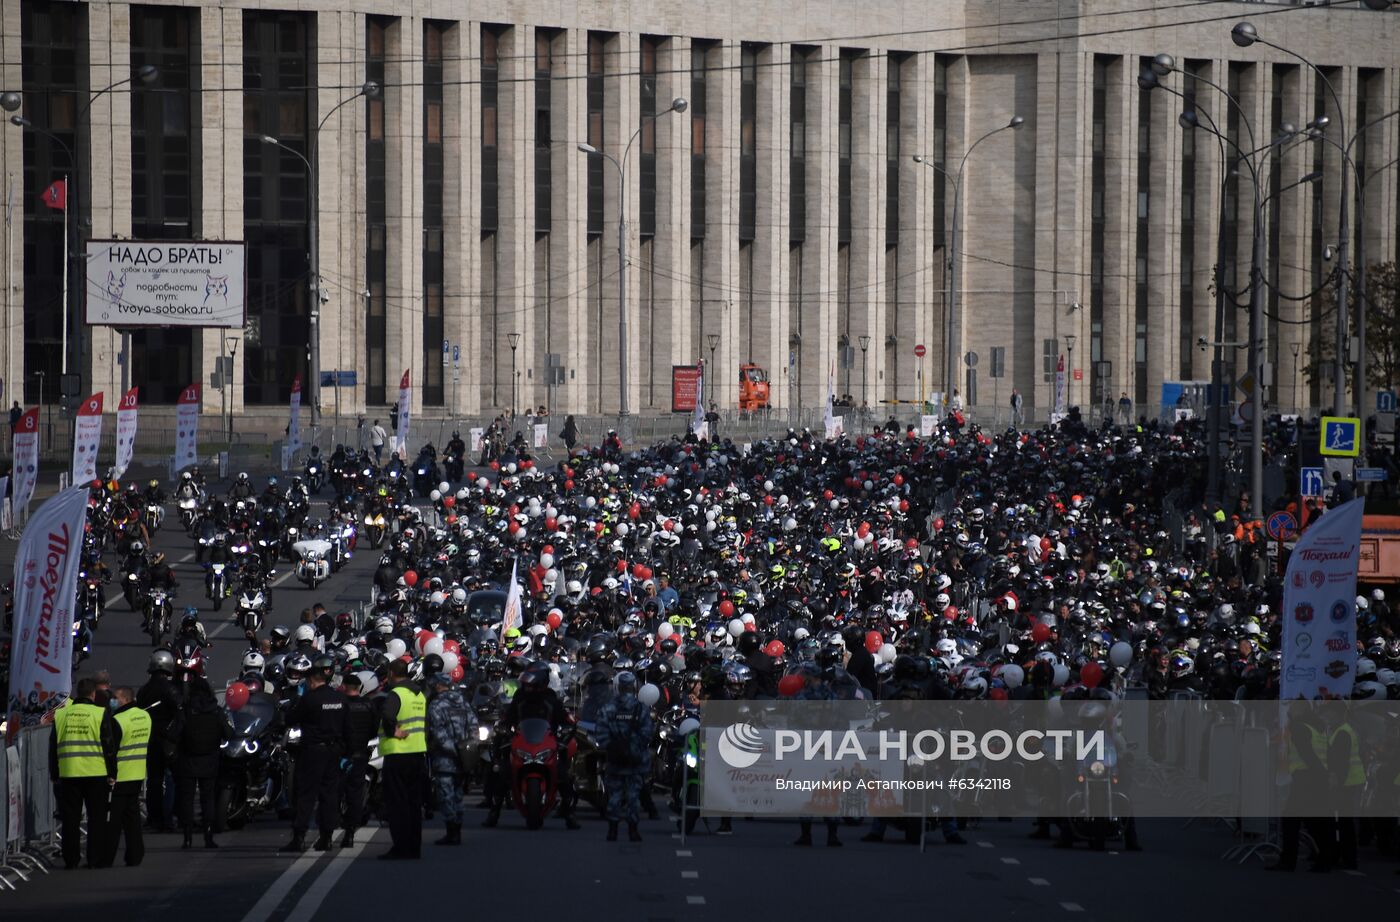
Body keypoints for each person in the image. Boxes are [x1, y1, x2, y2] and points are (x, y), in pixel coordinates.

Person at [50, 677, 120, 870]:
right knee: (96, 819)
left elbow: (53, 746)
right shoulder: (99, 713)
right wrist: (112, 772)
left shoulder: (62, 714)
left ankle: (70, 860)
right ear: (93, 694)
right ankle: (94, 859)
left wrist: (54, 772)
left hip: (69, 772)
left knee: (70, 819)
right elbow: (108, 745)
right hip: (95, 773)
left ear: (77, 694)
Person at [281, 656, 348, 853]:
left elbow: (291, 719)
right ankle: (326, 837)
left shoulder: (309, 699)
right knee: (329, 795)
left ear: (312, 681)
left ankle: (299, 837)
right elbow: (347, 726)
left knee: (306, 795)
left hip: (312, 751)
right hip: (333, 750)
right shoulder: (339, 698)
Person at [173, 676, 232, 849]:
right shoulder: (216, 711)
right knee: (208, 799)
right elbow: (228, 734)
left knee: (187, 799)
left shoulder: (186, 710)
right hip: (210, 760)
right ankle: (208, 835)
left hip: (188, 760)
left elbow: (175, 733)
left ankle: (187, 837)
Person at [594, 671, 653, 842]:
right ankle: (632, 830)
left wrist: (612, 748)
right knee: (633, 796)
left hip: (615, 760)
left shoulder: (609, 707)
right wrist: (635, 748)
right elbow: (648, 733)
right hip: (635, 761)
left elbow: (601, 732)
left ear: (619, 688)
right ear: (633, 688)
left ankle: (612, 830)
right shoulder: (640, 708)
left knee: (614, 795)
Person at [377, 658, 427, 860]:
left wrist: (393, 731)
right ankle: (414, 847)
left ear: (391, 673)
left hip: (398, 753)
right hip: (417, 752)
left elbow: (387, 715)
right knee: (414, 804)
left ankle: (400, 847)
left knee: (397, 804)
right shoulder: (419, 694)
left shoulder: (396, 693)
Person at [426, 671, 475, 846]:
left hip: (445, 758)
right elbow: (473, 725)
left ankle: (452, 830)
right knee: (458, 794)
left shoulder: (436, 705)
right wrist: (468, 748)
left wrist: (452, 749)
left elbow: (438, 733)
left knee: (446, 795)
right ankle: (457, 829)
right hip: (463, 757)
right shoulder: (461, 701)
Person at [105, 686, 151, 868]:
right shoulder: (145, 717)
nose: (112, 701)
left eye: (115, 697)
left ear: (124, 699)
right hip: (137, 774)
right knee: (133, 821)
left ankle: (106, 858)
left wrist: (110, 775)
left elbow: (112, 751)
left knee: (113, 823)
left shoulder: (118, 720)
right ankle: (135, 856)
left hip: (120, 776)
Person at [137, 649, 181, 832]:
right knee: (171, 780)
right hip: (167, 741)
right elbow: (180, 714)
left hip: (150, 739)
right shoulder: (171, 689)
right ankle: (168, 817)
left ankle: (154, 818)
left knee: (154, 781)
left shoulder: (144, 691)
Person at [340, 673, 379, 847]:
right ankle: (350, 833)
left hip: (341, 755)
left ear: (345, 686)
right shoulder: (369, 705)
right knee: (355, 796)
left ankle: (326, 835)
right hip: (361, 754)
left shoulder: (340, 704)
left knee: (333, 792)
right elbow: (374, 729)